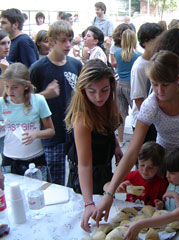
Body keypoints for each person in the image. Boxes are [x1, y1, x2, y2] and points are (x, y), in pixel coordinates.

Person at [91, 50, 179, 232]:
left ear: (178, 77)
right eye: (155, 85)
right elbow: (132, 150)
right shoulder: (151, 105)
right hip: (168, 166)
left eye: (165, 85)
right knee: (171, 212)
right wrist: (109, 193)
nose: (159, 91)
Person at [64, 59, 122, 231]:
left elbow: (109, 129)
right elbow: (84, 164)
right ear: (83, 90)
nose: (99, 97)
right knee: (93, 220)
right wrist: (88, 202)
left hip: (104, 168)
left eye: (104, 90)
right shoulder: (81, 117)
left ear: (112, 86)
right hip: (86, 176)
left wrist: (116, 145)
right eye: (92, 91)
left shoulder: (109, 105)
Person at [30, 20, 82, 185]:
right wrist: (45, 94)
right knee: (55, 183)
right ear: (51, 41)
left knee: (77, 178)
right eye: (63, 40)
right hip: (52, 133)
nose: (68, 44)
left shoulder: (76, 64)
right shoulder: (38, 68)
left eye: (70, 39)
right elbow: (26, 103)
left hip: (75, 130)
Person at [0, 63, 54, 177]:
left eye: (15, 87)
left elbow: (51, 131)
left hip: (35, 159)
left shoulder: (38, 100)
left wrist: (35, 134)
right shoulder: (2, 103)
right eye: (6, 86)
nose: (10, 91)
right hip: (10, 159)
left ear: (26, 85)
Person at [130, 23, 162, 143]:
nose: (160, 44)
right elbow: (139, 100)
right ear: (144, 42)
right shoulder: (139, 67)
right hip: (145, 121)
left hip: (156, 119)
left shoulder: (156, 61)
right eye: (156, 40)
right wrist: (154, 120)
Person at [108, 141, 167, 207]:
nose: (145, 170)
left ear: (159, 167)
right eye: (142, 165)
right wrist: (117, 188)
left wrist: (161, 204)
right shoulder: (131, 176)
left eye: (150, 168)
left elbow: (165, 203)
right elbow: (106, 186)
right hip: (129, 210)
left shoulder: (162, 184)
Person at [114, 29, 141, 147]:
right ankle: (137, 139)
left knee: (121, 114)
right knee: (137, 114)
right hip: (132, 86)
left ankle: (120, 139)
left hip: (119, 84)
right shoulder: (138, 55)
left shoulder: (117, 53)